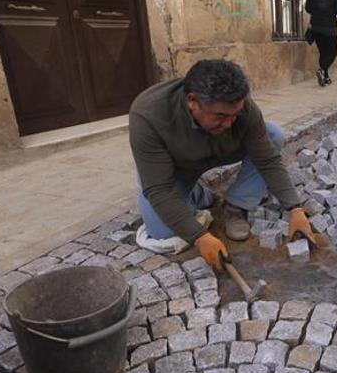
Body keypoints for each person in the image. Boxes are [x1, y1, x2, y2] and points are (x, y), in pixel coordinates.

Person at [129, 59, 314, 269]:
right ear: (192, 101)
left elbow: (267, 160)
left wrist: (294, 208)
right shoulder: (149, 114)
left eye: (234, 116)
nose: (228, 124)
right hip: (176, 169)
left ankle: (236, 205)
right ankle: (198, 193)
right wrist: (200, 236)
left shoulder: (241, 107)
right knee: (162, 232)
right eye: (221, 116)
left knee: (273, 134)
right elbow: (159, 189)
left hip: (223, 152)